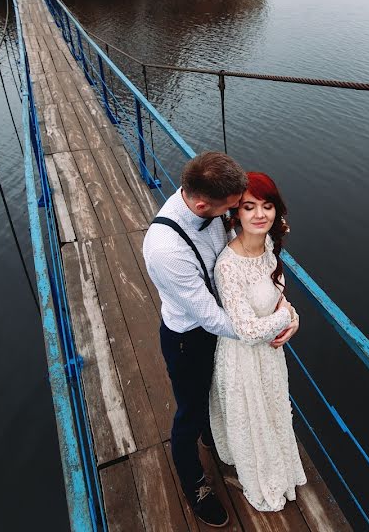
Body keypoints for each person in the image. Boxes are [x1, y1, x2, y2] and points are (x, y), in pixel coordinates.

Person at [142, 153, 298, 527]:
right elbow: (211, 317)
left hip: (230, 322)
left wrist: (284, 309)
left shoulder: (209, 202)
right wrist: (276, 322)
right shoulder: (165, 250)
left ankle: (221, 436)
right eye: (232, 209)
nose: (235, 216)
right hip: (190, 337)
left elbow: (243, 251)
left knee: (221, 392)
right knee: (190, 412)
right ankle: (194, 482)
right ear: (201, 205)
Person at [209, 172, 307, 512]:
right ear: (237, 213)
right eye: (249, 207)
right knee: (253, 419)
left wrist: (290, 319)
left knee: (273, 412)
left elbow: (278, 300)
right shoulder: (227, 265)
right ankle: (259, 475)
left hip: (269, 355)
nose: (259, 215)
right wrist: (288, 318)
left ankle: (281, 464)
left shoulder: (267, 247)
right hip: (243, 358)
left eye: (267, 206)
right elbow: (248, 330)